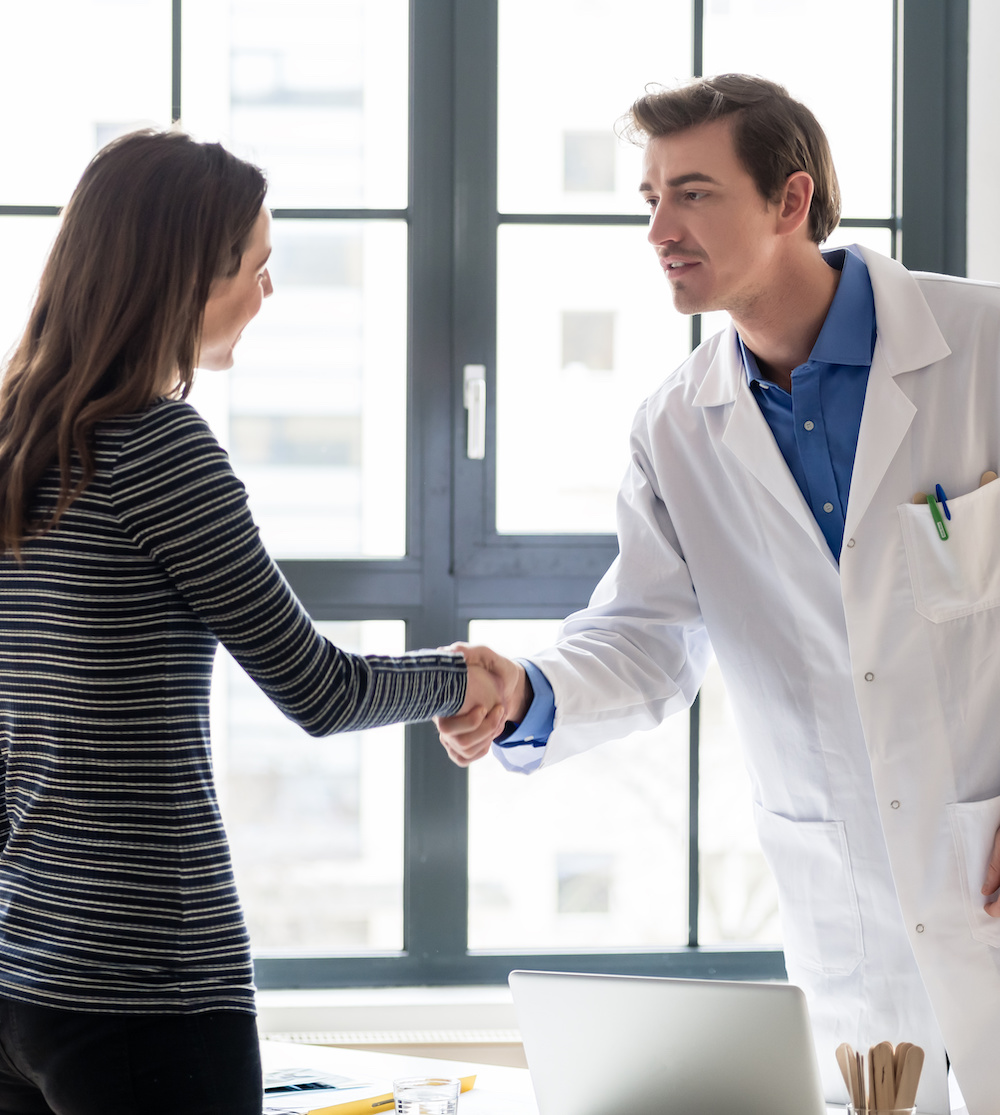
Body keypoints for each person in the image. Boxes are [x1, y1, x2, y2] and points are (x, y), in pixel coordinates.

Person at [436, 74, 1000, 1115]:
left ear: (790, 202)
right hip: (851, 906)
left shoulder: (985, 346)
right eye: (648, 197)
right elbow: (646, 634)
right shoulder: (674, 426)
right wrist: (527, 690)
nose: (658, 228)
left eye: (690, 193)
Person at [0, 130, 501, 1115]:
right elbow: (321, 690)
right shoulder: (157, 445)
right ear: (187, 274)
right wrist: (466, 671)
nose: (268, 294)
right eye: (257, 266)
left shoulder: (20, 439)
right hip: (145, 982)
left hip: (20, 974)